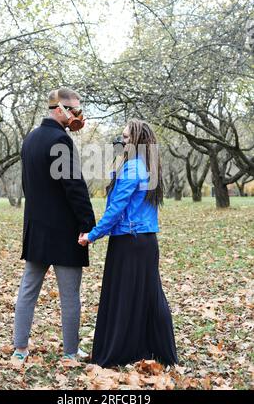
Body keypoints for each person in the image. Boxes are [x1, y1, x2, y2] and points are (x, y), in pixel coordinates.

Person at [79, 119, 178, 368]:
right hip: (143, 241)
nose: (121, 141)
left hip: (130, 241)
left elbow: (116, 208)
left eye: (125, 137)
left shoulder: (134, 167)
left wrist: (92, 234)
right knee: (146, 296)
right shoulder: (146, 165)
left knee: (125, 298)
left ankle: (120, 353)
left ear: (136, 141)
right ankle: (150, 351)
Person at [13, 88, 96, 362]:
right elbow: (74, 187)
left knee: (28, 290)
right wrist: (88, 224)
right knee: (70, 295)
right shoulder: (60, 140)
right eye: (75, 110)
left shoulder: (31, 139)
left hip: (36, 229)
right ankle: (71, 352)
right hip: (64, 233)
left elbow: (28, 186)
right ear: (59, 109)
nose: (78, 116)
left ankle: (20, 349)